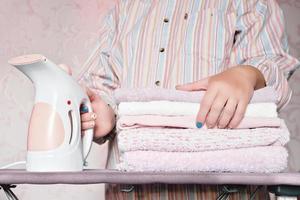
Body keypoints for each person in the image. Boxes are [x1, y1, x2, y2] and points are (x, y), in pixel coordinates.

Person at [77, 0, 299, 199]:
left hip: (224, 190)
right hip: (130, 188)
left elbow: (274, 65)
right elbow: (100, 85)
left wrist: (247, 74)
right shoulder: (124, 9)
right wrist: (100, 113)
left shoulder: (249, 3)